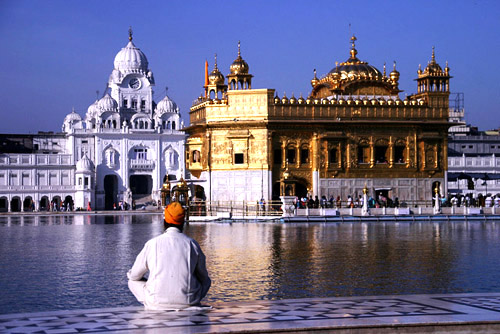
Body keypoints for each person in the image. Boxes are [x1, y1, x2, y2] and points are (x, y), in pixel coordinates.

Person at [127, 202, 211, 310]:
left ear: (164, 222)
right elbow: (203, 277)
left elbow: (134, 276)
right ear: (183, 223)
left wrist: (137, 277)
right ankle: (188, 300)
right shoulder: (192, 244)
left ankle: (155, 302)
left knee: (132, 281)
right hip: (188, 301)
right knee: (206, 281)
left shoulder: (152, 244)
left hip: (156, 301)